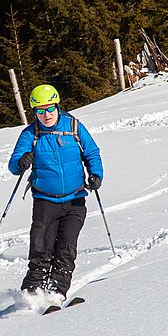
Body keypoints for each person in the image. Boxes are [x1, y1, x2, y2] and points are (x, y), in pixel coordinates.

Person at [7, 84, 103, 298]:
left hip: (75, 201)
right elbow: (14, 164)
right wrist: (21, 162)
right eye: (40, 110)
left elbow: (92, 153)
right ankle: (31, 295)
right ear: (34, 112)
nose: (46, 114)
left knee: (66, 249)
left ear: (57, 106)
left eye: (50, 108)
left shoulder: (74, 127)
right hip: (45, 202)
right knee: (41, 250)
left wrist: (95, 175)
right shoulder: (30, 134)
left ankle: (56, 293)